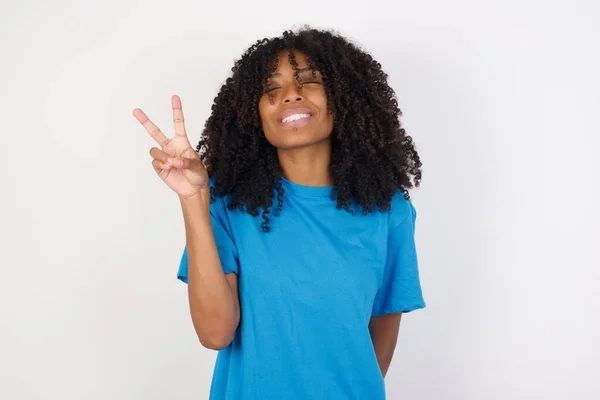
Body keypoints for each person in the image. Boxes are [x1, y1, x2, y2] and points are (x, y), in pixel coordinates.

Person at [133, 27, 425, 400]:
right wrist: (194, 198)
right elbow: (215, 333)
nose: (290, 94)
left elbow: (381, 333)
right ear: (253, 114)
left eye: (310, 80)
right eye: (271, 89)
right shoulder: (230, 205)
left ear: (346, 96)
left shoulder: (388, 211)